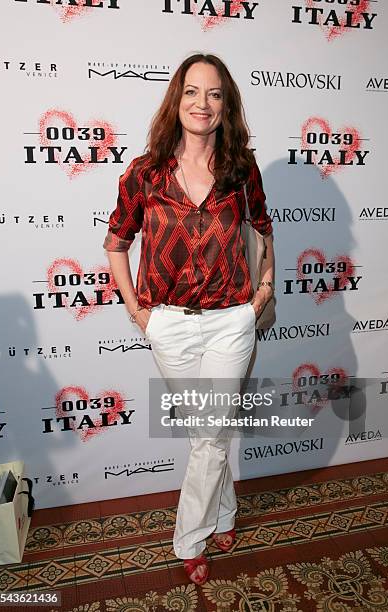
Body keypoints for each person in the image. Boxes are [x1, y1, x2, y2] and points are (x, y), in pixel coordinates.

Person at [103, 53, 274, 585]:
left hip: (231, 321)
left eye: (215, 94)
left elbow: (264, 230)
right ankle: (223, 512)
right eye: (192, 92)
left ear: (227, 105)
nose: (203, 104)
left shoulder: (240, 169)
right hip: (169, 324)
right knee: (211, 430)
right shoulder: (146, 172)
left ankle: (189, 538)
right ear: (176, 101)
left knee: (208, 436)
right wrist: (138, 312)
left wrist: (262, 293)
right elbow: (116, 244)